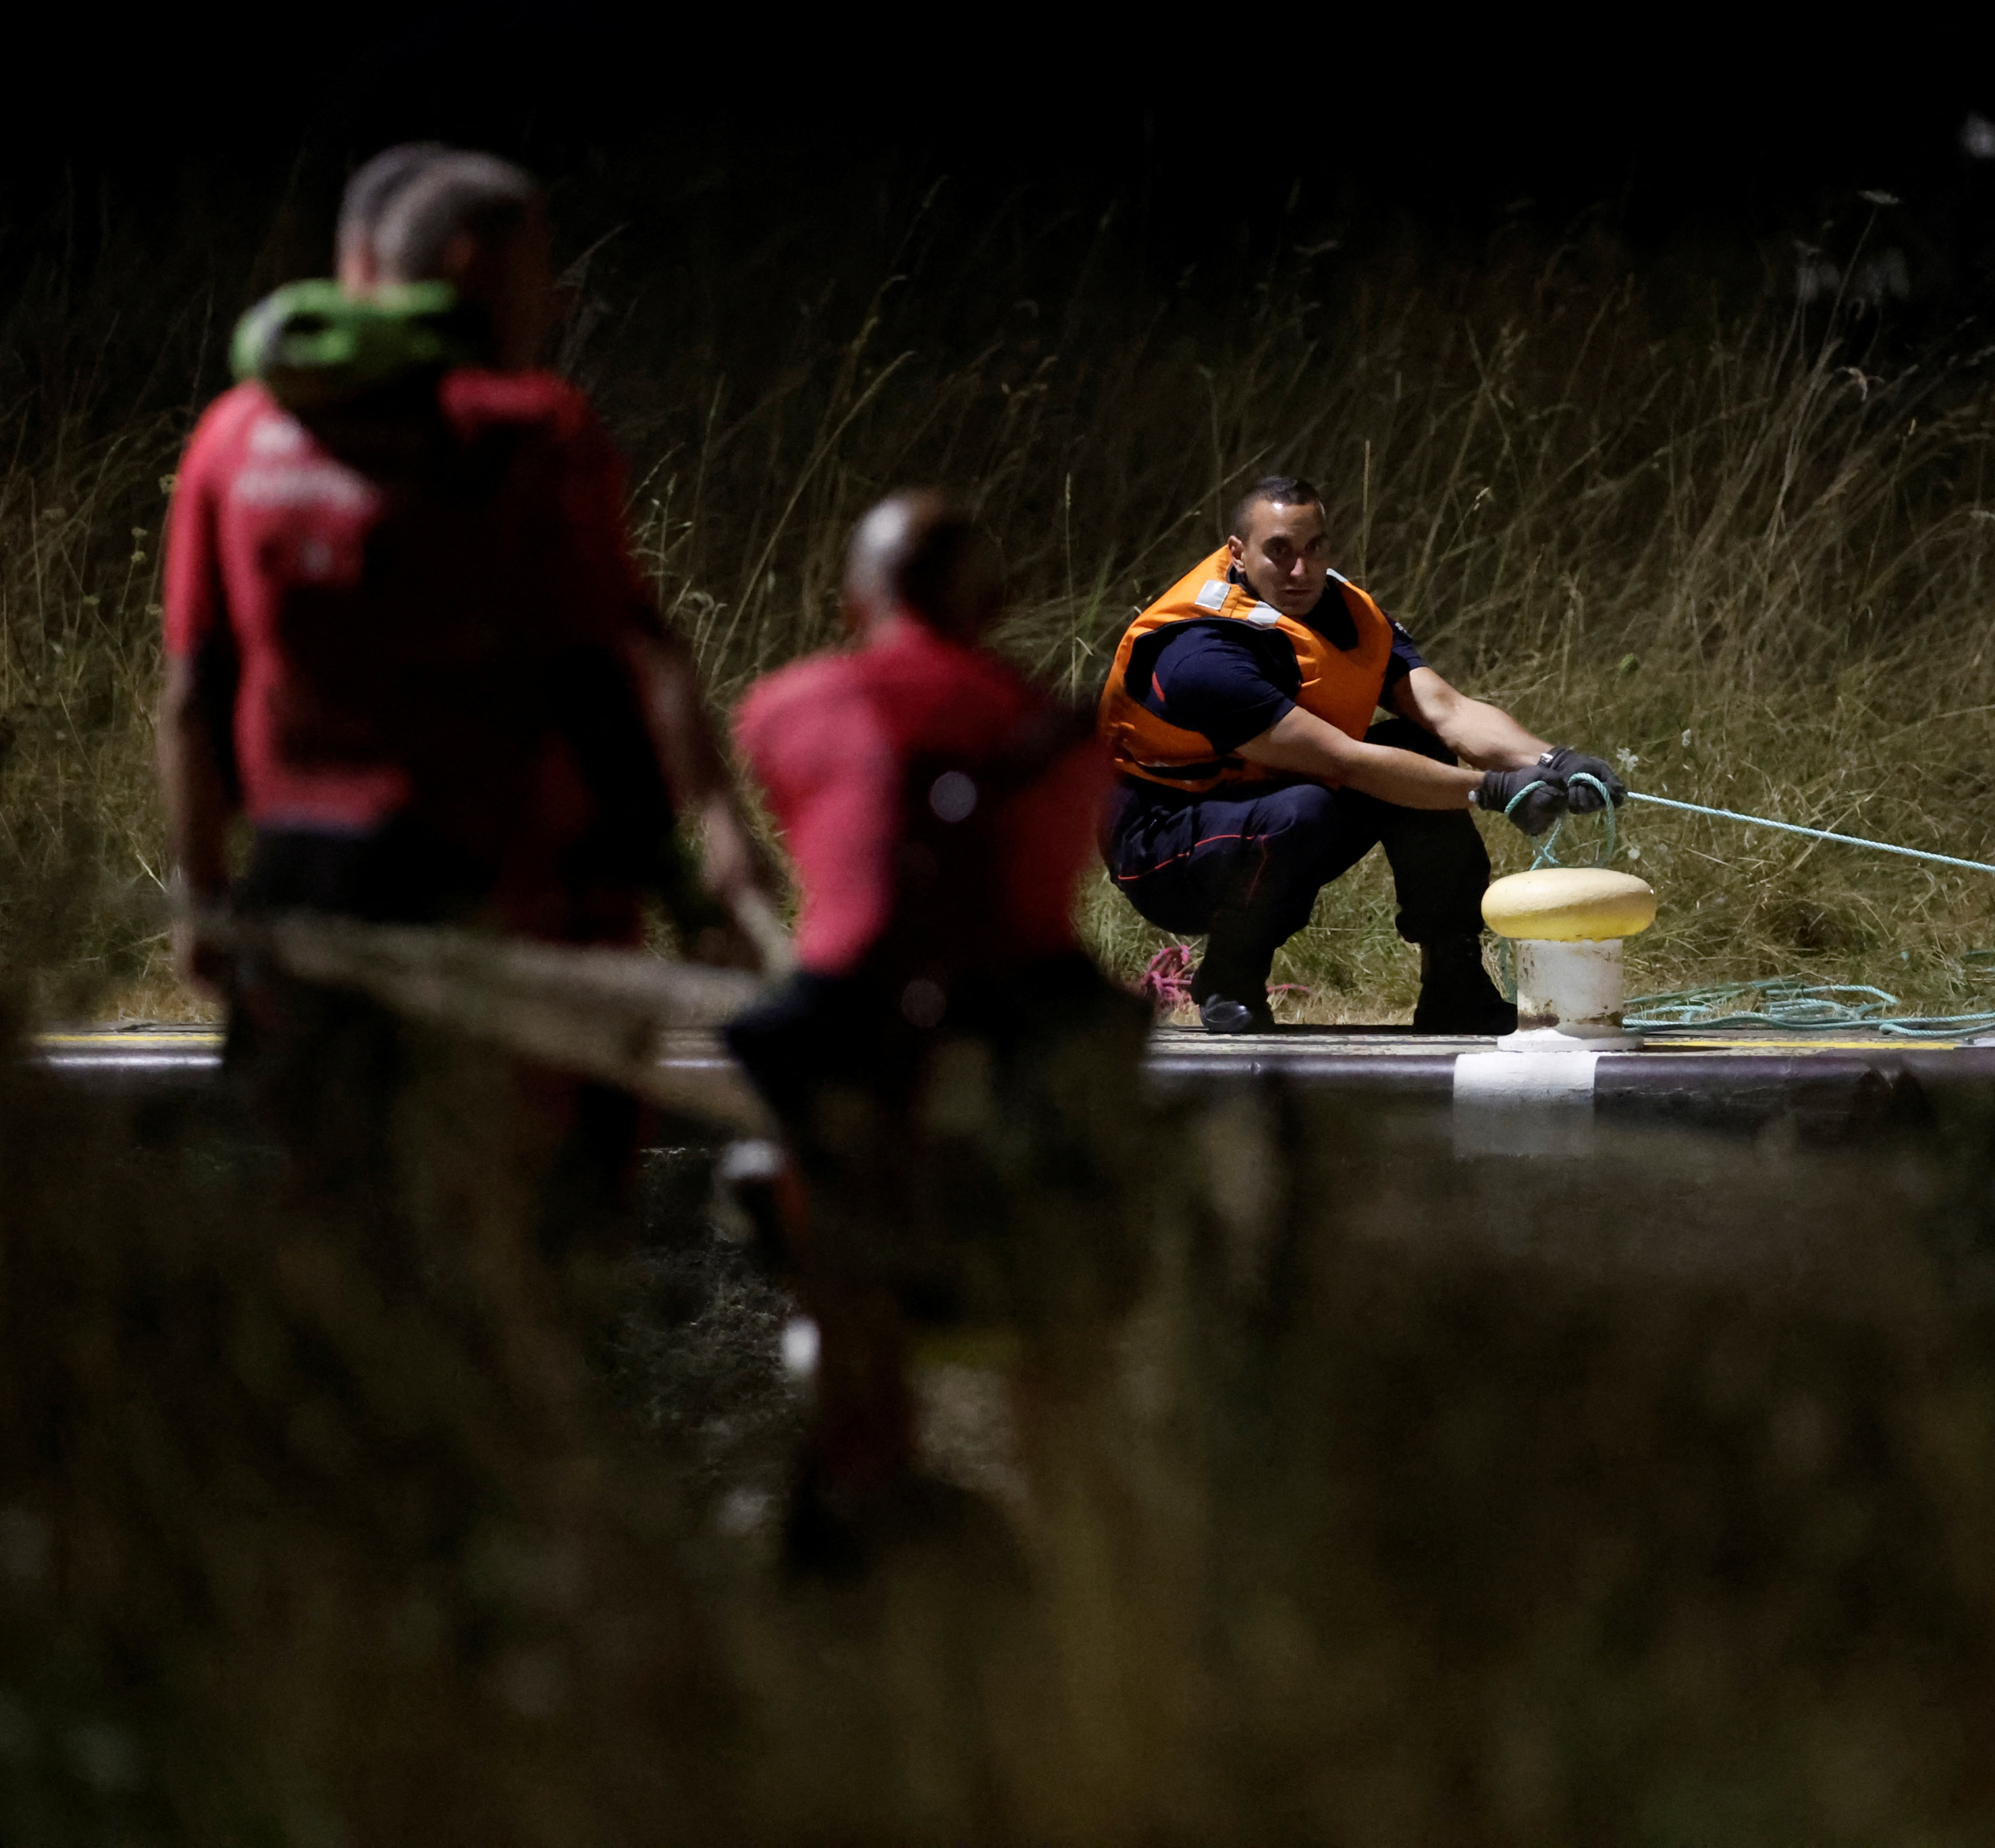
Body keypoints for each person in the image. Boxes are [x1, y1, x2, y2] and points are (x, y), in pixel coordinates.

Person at [157, 145, 766, 1207]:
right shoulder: (525, 428)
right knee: (535, 1253)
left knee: (339, 1249)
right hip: (508, 906)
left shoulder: (236, 435)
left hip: (302, 905)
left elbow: (193, 694)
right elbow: (604, 674)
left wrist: (202, 893)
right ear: (471, 267)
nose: (556, 305)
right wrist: (693, 869)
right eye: (540, 278)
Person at [727, 491, 1147, 1567]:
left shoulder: (782, 706)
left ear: (853, 598)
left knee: (810, 1167)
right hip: (1030, 1023)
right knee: (1076, 1245)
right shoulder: (1063, 734)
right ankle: (1079, 1501)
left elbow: (825, 847)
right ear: (995, 603)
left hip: (853, 1028)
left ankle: (855, 1440)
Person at [1098, 475, 1624, 1033]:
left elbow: (1445, 709)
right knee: (1302, 809)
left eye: (1314, 548)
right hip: (1164, 844)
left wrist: (1554, 761)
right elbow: (1341, 762)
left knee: (1419, 747)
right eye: (1278, 552)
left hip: (1271, 796)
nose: (1300, 570)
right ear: (1237, 553)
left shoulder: (1346, 611)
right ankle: (1230, 977)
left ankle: (1455, 987)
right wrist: (1492, 788)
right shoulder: (1198, 652)